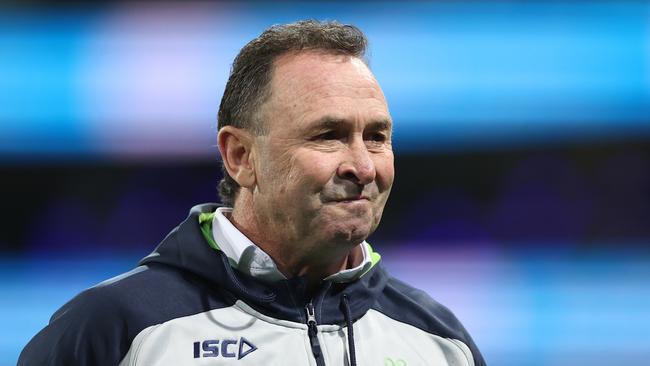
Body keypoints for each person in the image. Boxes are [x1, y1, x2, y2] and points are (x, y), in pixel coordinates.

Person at [19, 20, 485, 366]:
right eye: (328, 135)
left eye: (378, 137)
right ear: (240, 156)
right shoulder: (116, 331)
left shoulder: (440, 341)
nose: (363, 166)